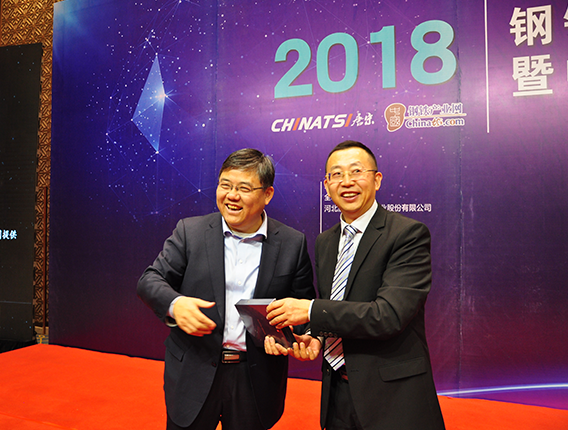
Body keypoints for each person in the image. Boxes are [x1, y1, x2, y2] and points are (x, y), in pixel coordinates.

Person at [265, 140, 445, 430]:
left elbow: (388, 316)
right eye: (336, 174)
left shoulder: (407, 234)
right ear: (327, 185)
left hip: (393, 398)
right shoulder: (325, 241)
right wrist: (316, 338)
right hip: (337, 394)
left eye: (356, 171)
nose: (346, 181)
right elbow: (334, 306)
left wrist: (310, 311)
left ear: (377, 179)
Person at [137, 148, 315, 430]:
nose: (232, 196)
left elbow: (302, 306)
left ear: (267, 194)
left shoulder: (292, 243)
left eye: (244, 188)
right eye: (225, 185)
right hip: (194, 370)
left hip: (255, 379)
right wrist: (175, 304)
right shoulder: (190, 232)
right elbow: (150, 279)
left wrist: (299, 337)